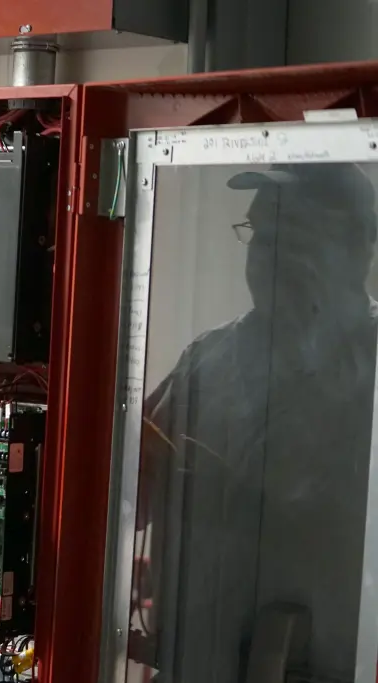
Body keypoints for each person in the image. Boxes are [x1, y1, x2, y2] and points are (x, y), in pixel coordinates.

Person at [137, 163, 378, 683]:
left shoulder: (371, 362)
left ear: (357, 248)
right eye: (258, 234)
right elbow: (134, 491)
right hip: (195, 662)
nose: (265, 254)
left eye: (290, 235)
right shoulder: (209, 358)